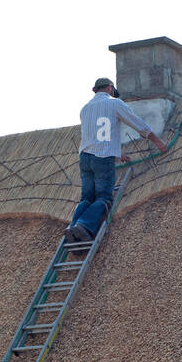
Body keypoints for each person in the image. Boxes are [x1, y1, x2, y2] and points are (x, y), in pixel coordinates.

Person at [65, 77, 167, 243]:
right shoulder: (114, 103)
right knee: (104, 197)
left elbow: (94, 136)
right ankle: (83, 225)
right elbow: (137, 123)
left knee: (86, 198)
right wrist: (157, 141)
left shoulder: (85, 109)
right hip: (103, 157)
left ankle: (73, 226)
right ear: (110, 89)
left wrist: (118, 155)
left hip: (85, 157)